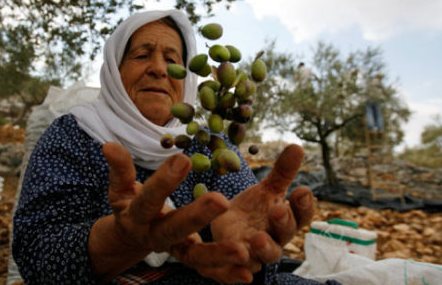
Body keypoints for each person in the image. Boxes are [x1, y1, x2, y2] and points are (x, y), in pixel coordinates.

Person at [12, 10, 339, 285]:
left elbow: (249, 238)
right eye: (142, 55)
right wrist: (120, 241)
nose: (159, 68)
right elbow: (35, 253)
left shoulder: (207, 142)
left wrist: (251, 252)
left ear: (188, 79)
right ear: (113, 70)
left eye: (173, 59)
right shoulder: (75, 133)